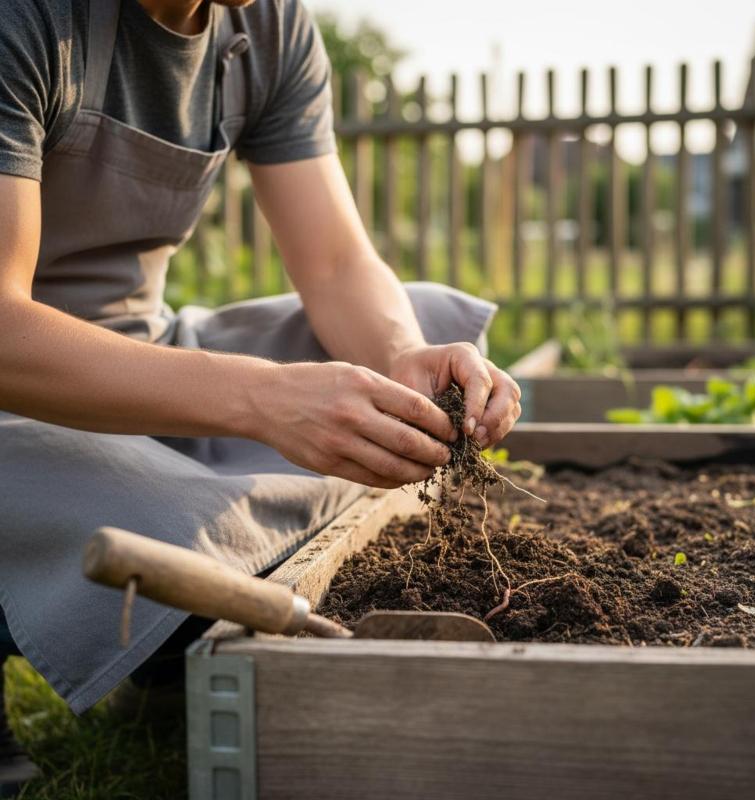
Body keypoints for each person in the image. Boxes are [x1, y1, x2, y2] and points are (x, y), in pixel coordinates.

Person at [0, 0, 521, 791]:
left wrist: (403, 357)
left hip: (143, 356)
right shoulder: (28, 20)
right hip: (24, 383)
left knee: (434, 318)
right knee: (178, 525)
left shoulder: (266, 29)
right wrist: (261, 401)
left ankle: (171, 645)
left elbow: (337, 268)